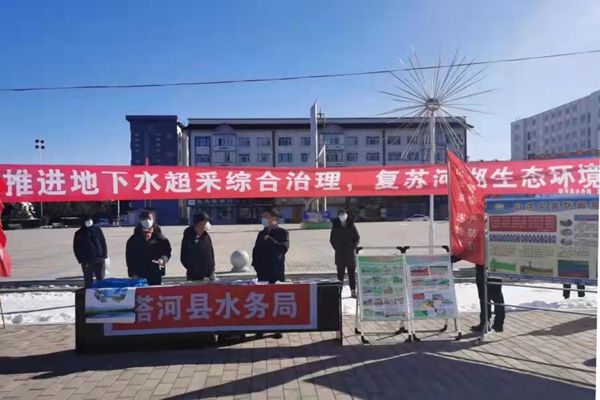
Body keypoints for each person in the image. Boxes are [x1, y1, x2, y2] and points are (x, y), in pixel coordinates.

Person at [452, 257, 505, 332]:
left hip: (483, 268)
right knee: (497, 296)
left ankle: (485, 324)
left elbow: (469, 252)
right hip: (495, 266)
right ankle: (498, 324)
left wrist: (453, 258)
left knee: (485, 297)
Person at [126, 211, 172, 285]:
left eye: (149, 231)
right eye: (145, 232)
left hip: (155, 274)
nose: (147, 234)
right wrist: (132, 273)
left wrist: (162, 260)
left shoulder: (160, 239)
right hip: (138, 275)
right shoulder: (133, 240)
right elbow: (129, 258)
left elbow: (166, 252)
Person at [252, 210, 289, 284]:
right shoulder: (262, 233)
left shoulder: (282, 232)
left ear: (274, 218)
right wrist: (255, 264)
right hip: (262, 272)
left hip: (276, 271)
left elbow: (284, 248)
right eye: (262, 217)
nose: (263, 219)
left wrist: (271, 241)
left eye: (266, 217)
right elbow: (256, 250)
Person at [329, 209, 360, 298]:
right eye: (340, 214)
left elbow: (357, 238)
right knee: (340, 275)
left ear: (346, 215)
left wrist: (353, 246)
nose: (342, 216)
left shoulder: (351, 225)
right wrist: (337, 248)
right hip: (340, 254)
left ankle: (353, 291)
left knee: (351, 274)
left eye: (343, 214)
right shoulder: (335, 225)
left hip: (350, 253)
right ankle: (339, 291)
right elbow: (332, 239)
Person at [73, 215, 108, 288]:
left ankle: (100, 293)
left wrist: (104, 255)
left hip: (99, 259)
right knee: (88, 280)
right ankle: (89, 293)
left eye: (90, 220)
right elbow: (76, 248)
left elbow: (103, 242)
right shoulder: (79, 233)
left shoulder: (97, 230)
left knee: (101, 279)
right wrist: (80, 259)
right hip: (86, 260)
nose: (89, 222)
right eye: (87, 220)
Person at [181, 212, 216, 281]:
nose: (208, 224)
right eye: (205, 222)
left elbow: (211, 253)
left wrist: (212, 268)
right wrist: (193, 269)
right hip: (194, 276)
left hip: (209, 275)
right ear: (199, 223)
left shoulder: (206, 236)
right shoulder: (189, 237)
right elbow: (184, 256)